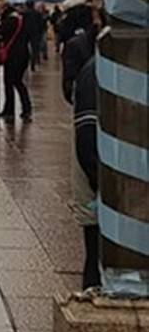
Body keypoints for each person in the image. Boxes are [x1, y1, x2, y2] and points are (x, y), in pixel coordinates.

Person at [72, 51, 99, 292]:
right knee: (98, 254)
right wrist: (101, 183)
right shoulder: (96, 71)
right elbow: (87, 135)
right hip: (100, 187)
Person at [0, 0, 31, 121]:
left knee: (10, 82)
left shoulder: (10, 20)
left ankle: (10, 109)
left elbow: (0, 32)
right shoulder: (22, 19)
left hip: (13, 55)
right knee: (18, 82)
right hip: (23, 54)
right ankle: (26, 109)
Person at [23, 1, 45, 75]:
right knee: (35, 49)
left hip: (25, 33)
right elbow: (41, 24)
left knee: (25, 48)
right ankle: (33, 64)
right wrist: (41, 32)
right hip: (36, 33)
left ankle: (25, 64)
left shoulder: (24, 14)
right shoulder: (38, 14)